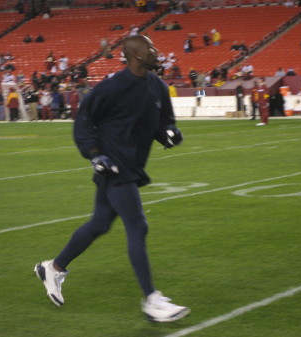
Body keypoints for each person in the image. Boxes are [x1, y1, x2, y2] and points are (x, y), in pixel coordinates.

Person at [33, 35, 190, 323]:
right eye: (150, 48)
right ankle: (152, 300)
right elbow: (84, 120)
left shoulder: (157, 86)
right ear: (136, 55)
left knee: (100, 224)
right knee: (137, 225)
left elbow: (163, 122)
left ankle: (53, 268)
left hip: (132, 163)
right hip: (114, 165)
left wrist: (170, 134)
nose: (157, 52)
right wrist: (94, 154)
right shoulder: (112, 87)